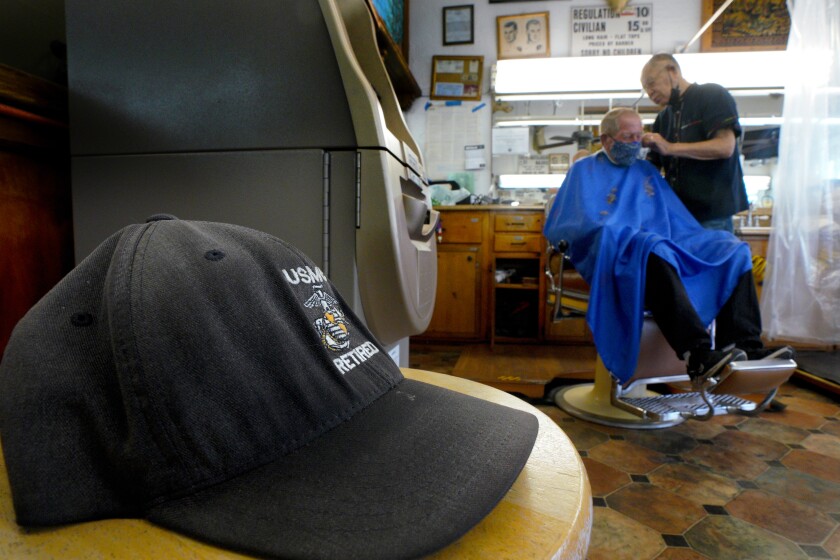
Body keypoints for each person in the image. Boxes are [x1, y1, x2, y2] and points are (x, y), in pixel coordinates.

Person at [543, 108, 791, 385]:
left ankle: (744, 345)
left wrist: (654, 238)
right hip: (613, 253)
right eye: (628, 136)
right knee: (650, 245)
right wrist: (624, 236)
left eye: (639, 136)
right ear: (606, 139)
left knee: (731, 247)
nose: (635, 142)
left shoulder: (646, 171)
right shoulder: (584, 170)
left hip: (658, 244)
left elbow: (674, 220)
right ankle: (697, 353)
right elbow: (572, 222)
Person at [640, 53, 748, 232]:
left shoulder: (712, 96)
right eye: (645, 88)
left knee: (709, 259)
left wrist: (670, 148)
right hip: (677, 216)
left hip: (711, 216)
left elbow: (725, 146)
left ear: (672, 71)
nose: (650, 93)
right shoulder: (663, 118)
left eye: (651, 83)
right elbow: (652, 166)